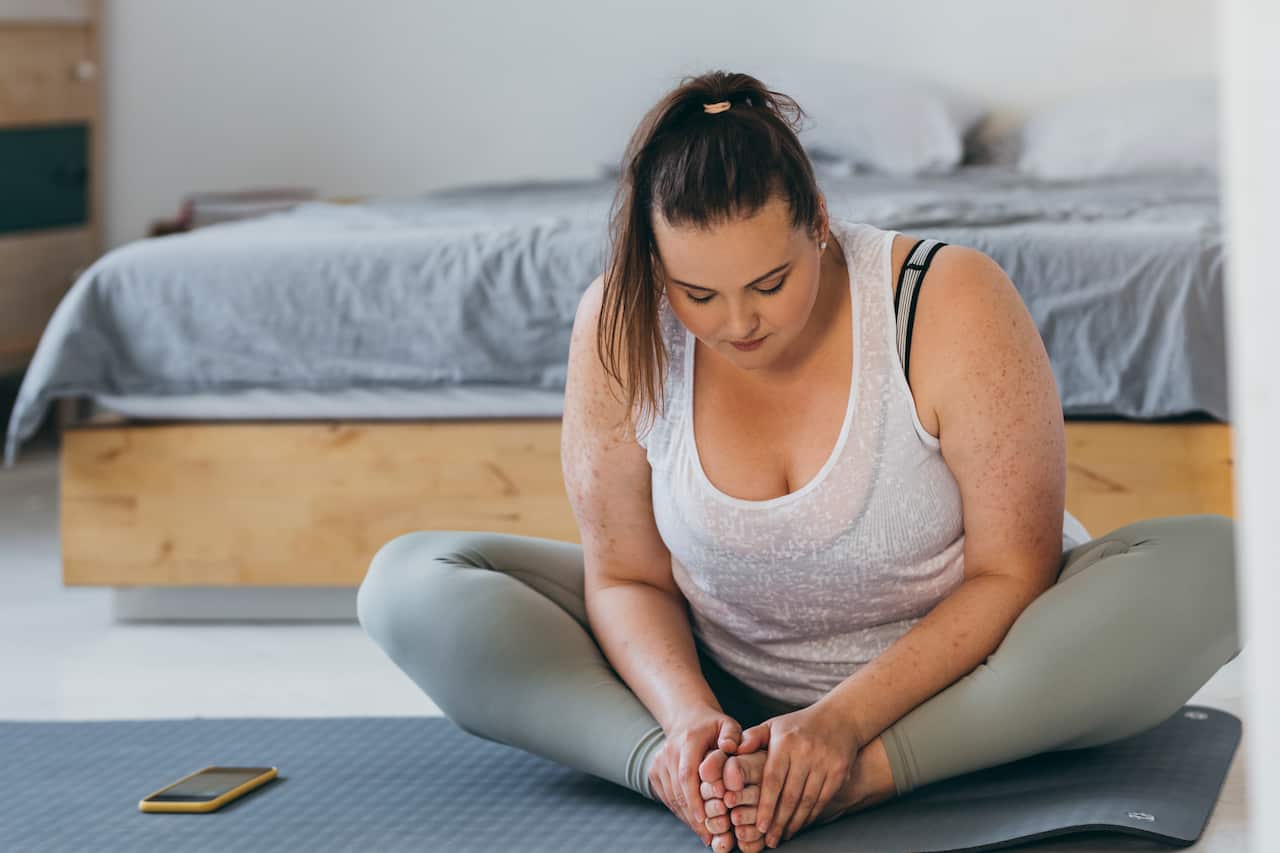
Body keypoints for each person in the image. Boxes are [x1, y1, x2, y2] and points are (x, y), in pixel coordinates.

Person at [357, 70, 1242, 853]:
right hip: (718, 670)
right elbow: (625, 575)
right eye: (697, 294)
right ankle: (678, 772)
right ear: (654, 264)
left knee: (1233, 565)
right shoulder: (618, 319)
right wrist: (686, 722)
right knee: (410, 584)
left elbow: (1013, 570)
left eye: (769, 283)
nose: (737, 323)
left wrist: (844, 730)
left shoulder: (946, 296)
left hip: (973, 679)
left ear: (818, 221)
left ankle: (867, 776)